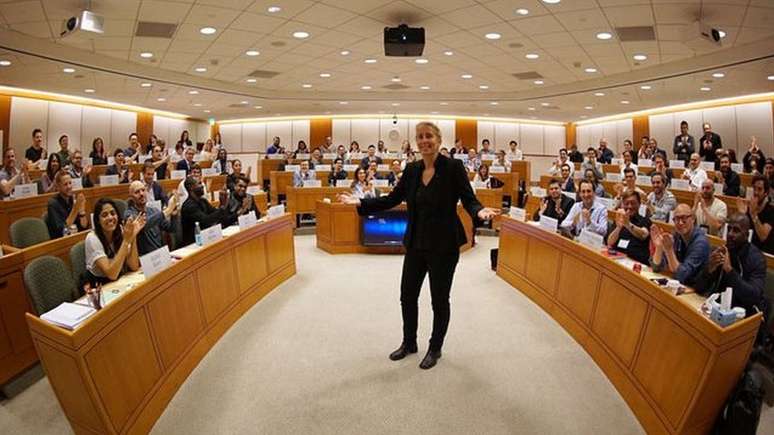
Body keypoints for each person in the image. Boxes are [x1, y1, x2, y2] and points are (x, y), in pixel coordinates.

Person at [338, 121, 499, 370]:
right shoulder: (412, 170)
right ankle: (409, 342)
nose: (424, 141)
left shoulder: (453, 167)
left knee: (439, 300)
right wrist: (360, 202)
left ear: (438, 140)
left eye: (429, 136)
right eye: (420, 137)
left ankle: (435, 348)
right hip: (415, 242)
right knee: (407, 296)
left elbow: (469, 199)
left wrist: (480, 212)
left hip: (444, 245)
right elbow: (393, 198)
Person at [694, 213, 768, 326]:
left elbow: (753, 297)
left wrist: (729, 270)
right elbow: (699, 288)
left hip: (742, 317)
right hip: (716, 312)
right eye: (729, 229)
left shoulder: (757, 259)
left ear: (746, 235)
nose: (730, 234)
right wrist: (709, 269)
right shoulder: (723, 251)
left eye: (736, 230)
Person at [85, 198, 143, 283]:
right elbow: (112, 274)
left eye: (113, 213)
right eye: (104, 215)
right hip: (101, 285)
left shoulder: (121, 230)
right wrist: (126, 241)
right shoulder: (92, 238)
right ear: (97, 221)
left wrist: (133, 236)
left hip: (119, 280)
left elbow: (134, 266)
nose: (110, 218)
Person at [651, 204, 710, 286]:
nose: (680, 223)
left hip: (696, 291)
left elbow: (681, 275)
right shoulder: (677, 235)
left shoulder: (701, 243)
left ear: (693, 219)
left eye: (684, 218)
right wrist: (659, 247)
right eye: (676, 219)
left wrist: (669, 250)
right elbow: (656, 267)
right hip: (680, 286)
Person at [125, 180, 178, 255]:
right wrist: (167, 211)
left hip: (159, 255)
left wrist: (174, 215)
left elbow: (171, 229)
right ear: (131, 197)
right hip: (143, 259)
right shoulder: (129, 214)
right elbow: (142, 225)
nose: (141, 194)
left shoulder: (153, 210)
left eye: (143, 190)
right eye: (137, 192)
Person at [180, 176, 237, 246]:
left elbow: (218, 215)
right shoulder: (189, 206)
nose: (202, 186)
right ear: (191, 187)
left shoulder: (202, 201)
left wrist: (224, 204)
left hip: (207, 238)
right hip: (193, 244)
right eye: (199, 183)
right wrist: (222, 207)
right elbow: (206, 221)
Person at [606, 190, 651, 264]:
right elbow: (610, 242)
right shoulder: (619, 219)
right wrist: (618, 228)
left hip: (636, 262)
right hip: (617, 259)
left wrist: (628, 224)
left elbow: (643, 235)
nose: (629, 206)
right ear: (622, 204)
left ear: (639, 204)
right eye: (626, 203)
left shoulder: (645, 220)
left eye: (633, 203)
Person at [45, 171, 89, 239]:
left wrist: (82, 211)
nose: (69, 187)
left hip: (76, 237)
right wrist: (76, 208)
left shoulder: (72, 199)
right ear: (58, 187)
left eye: (70, 183)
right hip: (61, 242)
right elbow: (63, 231)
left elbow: (84, 227)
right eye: (65, 184)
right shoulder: (52, 204)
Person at [737, 175, 774, 254]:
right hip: (748, 248)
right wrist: (742, 215)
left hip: (764, 252)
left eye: (759, 189)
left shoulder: (771, 211)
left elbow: (763, 236)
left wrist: (753, 214)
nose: (756, 192)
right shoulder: (749, 207)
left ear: (766, 193)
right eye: (754, 188)